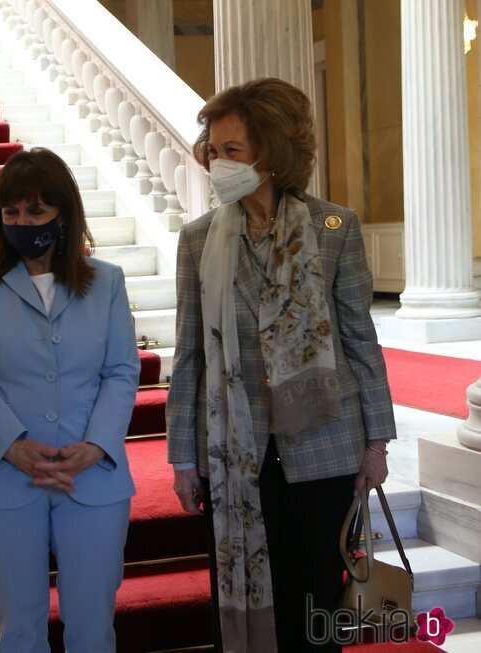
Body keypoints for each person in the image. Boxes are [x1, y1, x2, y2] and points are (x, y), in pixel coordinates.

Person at [166, 78, 395, 653]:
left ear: (271, 153)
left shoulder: (333, 228)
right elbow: (190, 353)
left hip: (324, 444)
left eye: (231, 151)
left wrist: (375, 445)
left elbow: (360, 342)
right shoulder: (198, 241)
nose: (217, 162)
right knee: (241, 588)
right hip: (233, 451)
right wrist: (183, 458)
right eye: (212, 151)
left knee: (316, 593)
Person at [0, 147, 140, 652]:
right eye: (11, 212)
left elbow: (121, 370)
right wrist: (12, 444)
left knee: (93, 625)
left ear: (64, 214)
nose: (22, 222)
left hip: (92, 477)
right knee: (20, 628)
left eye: (36, 211)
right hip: (3, 478)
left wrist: (96, 445)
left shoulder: (107, 282)